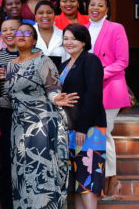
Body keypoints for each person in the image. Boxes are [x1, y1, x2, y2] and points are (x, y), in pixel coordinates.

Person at [0, 23, 78, 209]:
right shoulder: (10, 66)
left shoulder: (43, 61)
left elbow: (52, 88)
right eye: (17, 32)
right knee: (23, 177)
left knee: (42, 175)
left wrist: (56, 97)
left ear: (34, 40)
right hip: (19, 129)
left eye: (26, 32)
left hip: (41, 125)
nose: (20, 35)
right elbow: (14, 100)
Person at [86, 0, 130, 200]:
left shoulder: (116, 28)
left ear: (107, 9)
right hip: (88, 90)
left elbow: (122, 61)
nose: (95, 8)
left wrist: (99, 73)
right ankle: (102, 180)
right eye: (92, 4)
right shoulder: (83, 30)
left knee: (104, 133)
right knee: (97, 135)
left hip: (109, 88)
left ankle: (112, 181)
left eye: (100, 5)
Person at [59, 23, 106, 209]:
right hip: (71, 128)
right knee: (78, 184)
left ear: (84, 41)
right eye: (65, 38)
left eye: (73, 38)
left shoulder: (90, 60)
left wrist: (81, 127)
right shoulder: (64, 64)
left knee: (87, 182)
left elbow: (93, 94)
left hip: (89, 128)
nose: (68, 42)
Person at [0, 17, 19, 209]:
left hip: (28, 114)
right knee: (7, 161)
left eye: (14, 29)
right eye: (5, 30)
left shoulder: (36, 54)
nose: (9, 33)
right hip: (4, 113)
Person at [33, 0, 68, 68]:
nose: (45, 16)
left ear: (54, 16)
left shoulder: (64, 35)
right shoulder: (27, 35)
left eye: (49, 12)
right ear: (35, 17)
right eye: (41, 13)